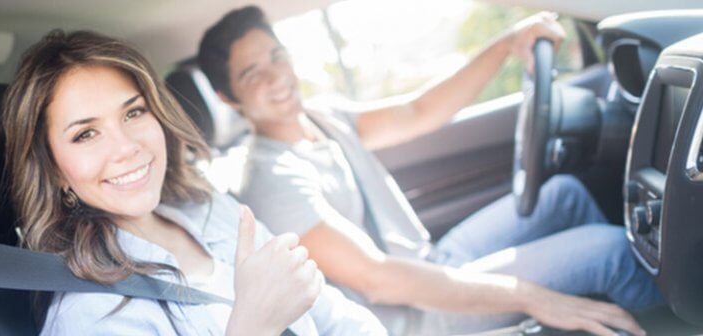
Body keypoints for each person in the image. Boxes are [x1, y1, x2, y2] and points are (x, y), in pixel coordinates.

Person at [196, 6, 661, 336]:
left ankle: (617, 305)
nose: (276, 76)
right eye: (252, 74)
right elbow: (379, 278)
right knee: (610, 251)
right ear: (229, 99)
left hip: (431, 262)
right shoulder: (269, 178)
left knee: (564, 194)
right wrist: (534, 297)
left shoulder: (319, 117)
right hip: (412, 315)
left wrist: (507, 43)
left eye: (276, 56)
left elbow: (417, 112)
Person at [1, 30, 387, 335]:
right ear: (52, 169)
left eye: (134, 112)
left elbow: (331, 312)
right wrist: (253, 328)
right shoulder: (89, 315)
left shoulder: (212, 208)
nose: (127, 148)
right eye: (86, 134)